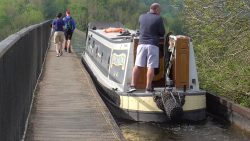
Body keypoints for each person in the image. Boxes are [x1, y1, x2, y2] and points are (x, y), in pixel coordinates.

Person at [127, 3, 165, 93]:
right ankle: (148, 87)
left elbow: (142, 28)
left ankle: (132, 85)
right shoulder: (159, 18)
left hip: (141, 44)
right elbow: (162, 32)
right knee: (150, 66)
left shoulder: (141, 17)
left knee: (138, 65)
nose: (160, 12)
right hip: (152, 44)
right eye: (159, 10)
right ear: (156, 9)